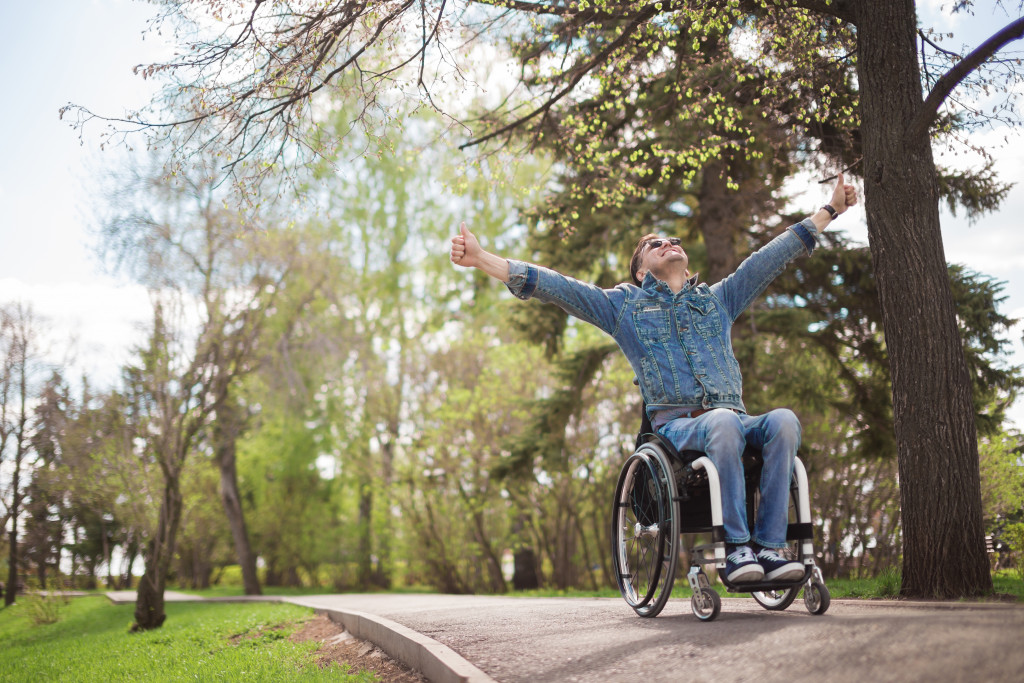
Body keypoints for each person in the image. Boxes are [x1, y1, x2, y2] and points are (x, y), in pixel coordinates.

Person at [450, 174, 857, 583]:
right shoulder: (625, 306)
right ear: (642, 272)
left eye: (673, 240)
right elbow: (560, 288)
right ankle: (736, 551)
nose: (668, 243)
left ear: (687, 262)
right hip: (678, 425)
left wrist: (831, 209)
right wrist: (484, 260)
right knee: (722, 422)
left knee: (783, 420)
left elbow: (771, 257)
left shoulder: (717, 301)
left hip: (733, 415)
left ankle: (770, 549)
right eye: (654, 245)